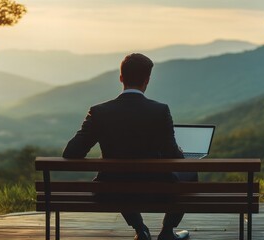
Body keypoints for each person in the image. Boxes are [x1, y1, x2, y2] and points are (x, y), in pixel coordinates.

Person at [63, 53, 196, 240]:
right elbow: (172, 155)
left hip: (112, 191)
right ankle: (167, 232)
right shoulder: (160, 111)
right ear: (147, 80)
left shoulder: (99, 112)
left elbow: (71, 152)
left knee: (121, 179)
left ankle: (140, 229)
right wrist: (180, 153)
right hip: (156, 191)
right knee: (191, 173)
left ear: (121, 78)